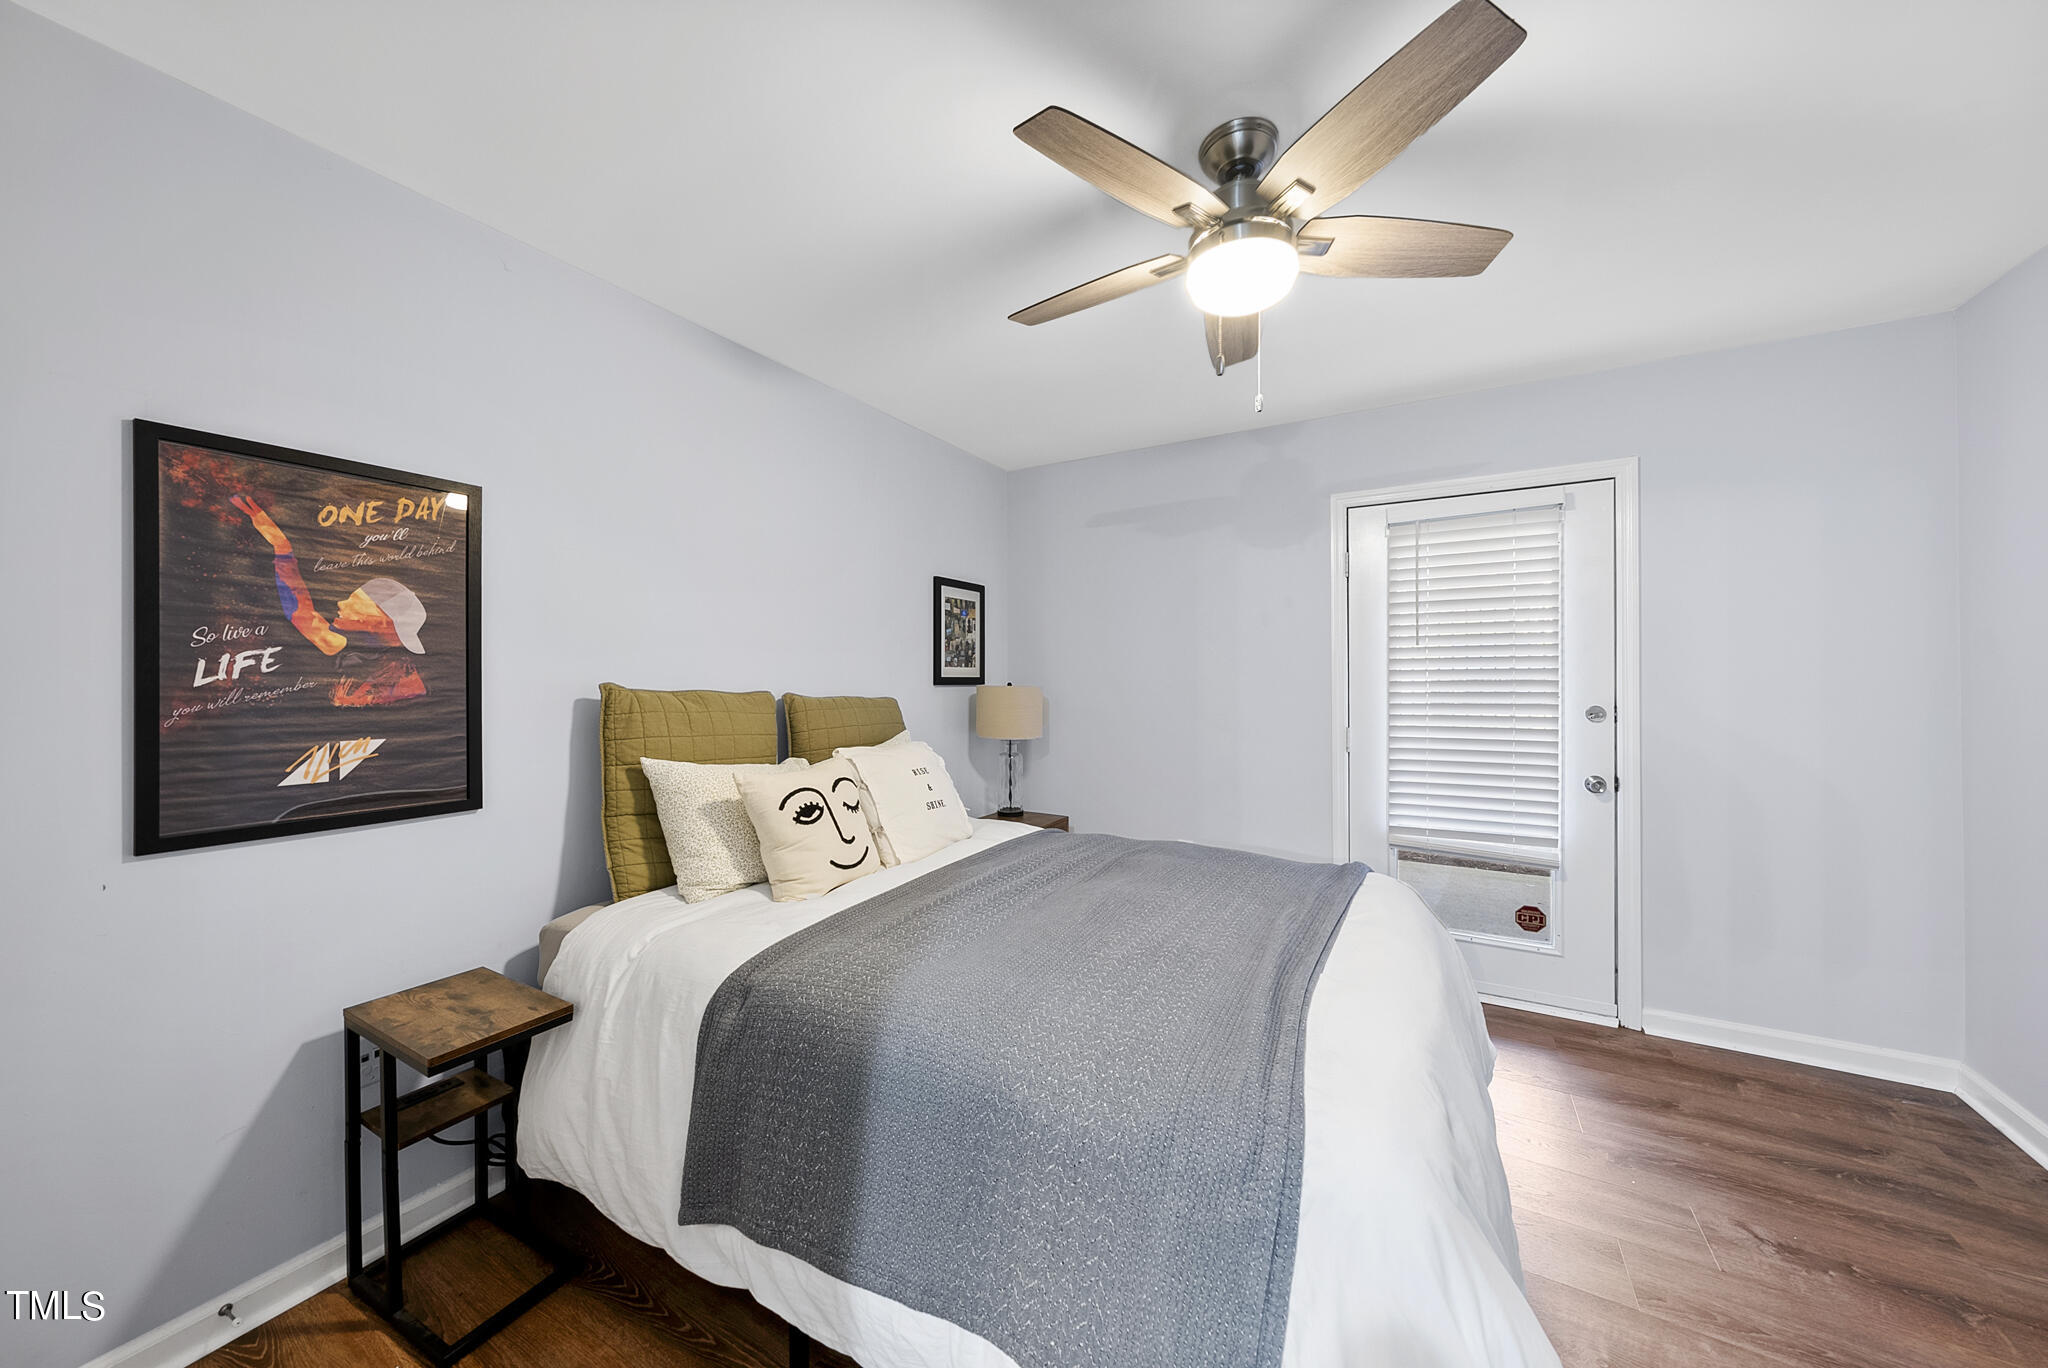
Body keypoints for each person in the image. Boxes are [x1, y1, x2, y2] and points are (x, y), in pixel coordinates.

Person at [231, 493, 428, 706]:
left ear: (382, 618)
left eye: (355, 603)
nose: (341, 605)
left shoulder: (408, 680)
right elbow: (299, 611)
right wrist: (282, 548)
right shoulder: (344, 645)